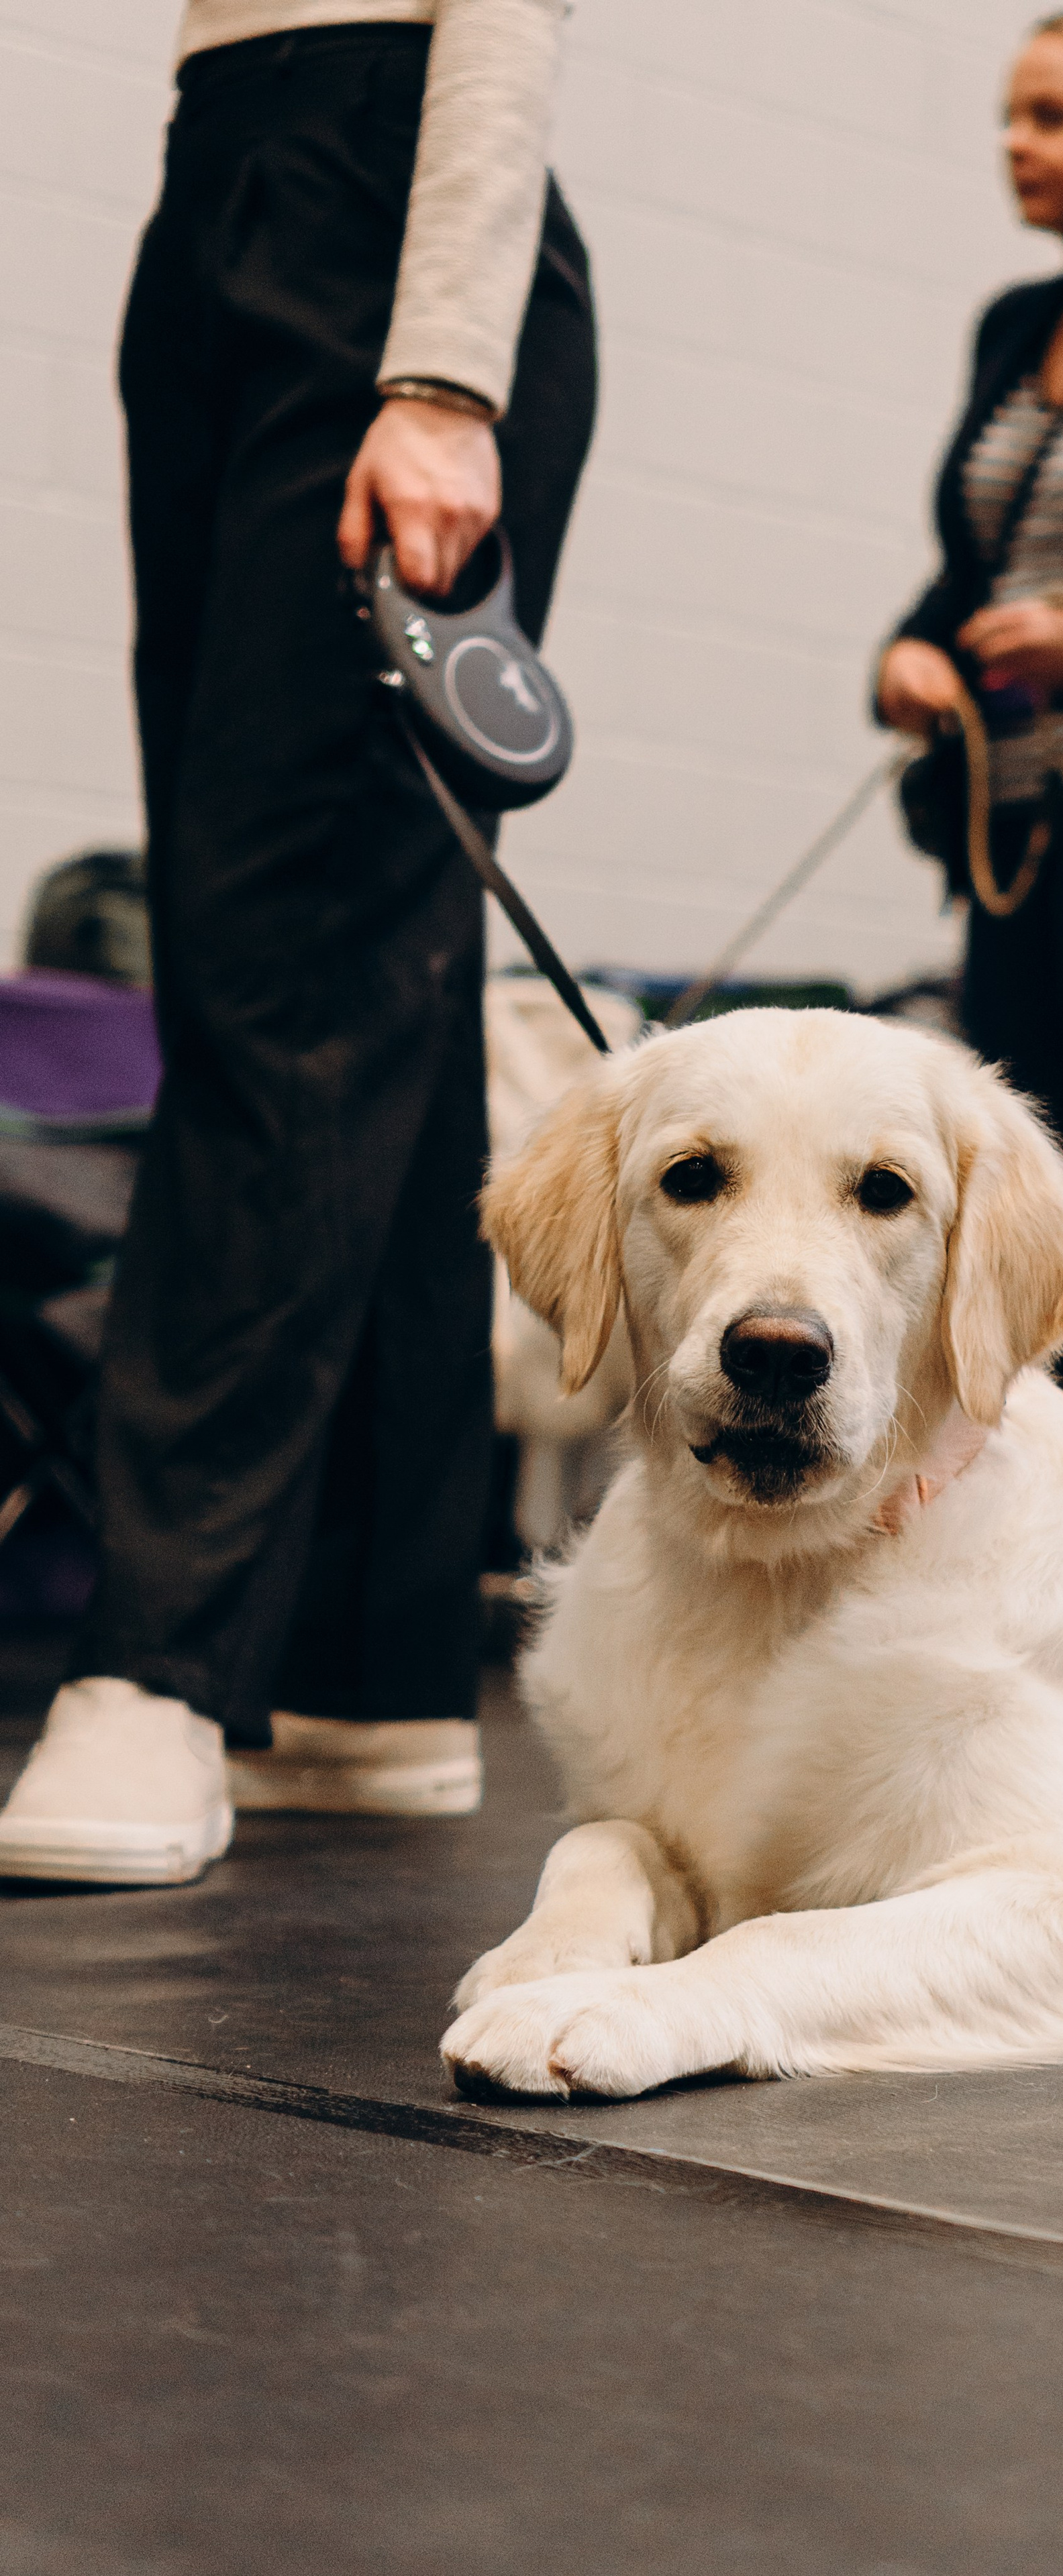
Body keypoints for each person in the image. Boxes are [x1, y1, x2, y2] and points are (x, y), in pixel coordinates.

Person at [0, 1, 596, 1888]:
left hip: (386, 228)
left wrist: (442, 378)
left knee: (288, 973)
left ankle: (159, 1660)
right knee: (358, 991)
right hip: (227, 194)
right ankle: (372, 1663)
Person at [875, 10, 1063, 1177]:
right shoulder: (1014, 323)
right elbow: (975, 559)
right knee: (1016, 1131)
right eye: (1009, 117)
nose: (1015, 143)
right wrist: (908, 652)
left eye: (1053, 117)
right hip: (1009, 804)